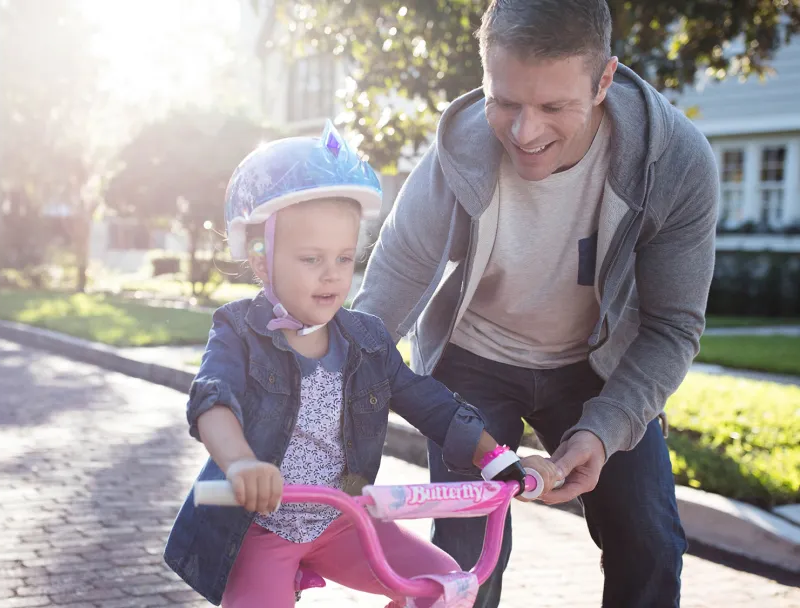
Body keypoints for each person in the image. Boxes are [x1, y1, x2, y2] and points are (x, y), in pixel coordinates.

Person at [352, 0, 718, 606]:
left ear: (604, 80)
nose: (525, 132)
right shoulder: (457, 151)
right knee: (466, 557)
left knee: (649, 542)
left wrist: (602, 433)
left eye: (553, 107)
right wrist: (320, 394)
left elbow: (672, 327)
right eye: (506, 101)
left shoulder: (675, 164)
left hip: (598, 369)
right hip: (472, 361)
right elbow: (387, 291)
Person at [162, 121, 563, 607]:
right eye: (311, 258)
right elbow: (212, 399)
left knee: (446, 589)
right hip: (262, 529)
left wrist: (497, 458)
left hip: (343, 522)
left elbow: (431, 404)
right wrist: (241, 463)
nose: (332, 274)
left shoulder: (366, 341)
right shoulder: (238, 333)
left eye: (345, 258)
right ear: (262, 260)